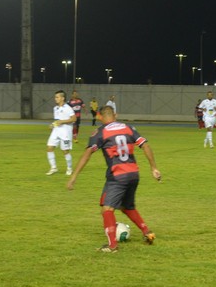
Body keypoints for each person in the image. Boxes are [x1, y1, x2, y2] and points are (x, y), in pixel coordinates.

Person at [67, 105, 160, 253]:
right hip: (133, 174)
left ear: (100, 117)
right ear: (115, 115)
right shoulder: (128, 128)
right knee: (126, 206)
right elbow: (145, 146)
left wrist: (74, 176)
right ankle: (147, 232)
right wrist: (153, 168)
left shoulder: (100, 132)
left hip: (117, 176)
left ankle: (112, 246)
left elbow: (87, 153)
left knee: (107, 209)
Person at [46, 90, 77, 176]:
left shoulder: (68, 108)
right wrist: (53, 124)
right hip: (56, 131)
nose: (55, 99)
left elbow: (74, 119)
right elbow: (57, 120)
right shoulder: (55, 108)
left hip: (65, 133)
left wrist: (62, 121)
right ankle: (53, 167)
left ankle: (69, 168)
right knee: (49, 148)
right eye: (55, 97)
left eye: (57, 97)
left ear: (62, 98)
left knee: (65, 151)